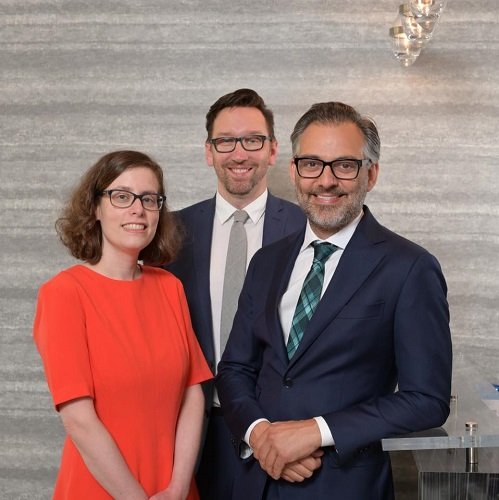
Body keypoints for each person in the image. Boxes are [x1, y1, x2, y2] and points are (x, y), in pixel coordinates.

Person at [216, 101, 453, 500]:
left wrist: (315, 431)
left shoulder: (409, 268)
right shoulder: (267, 262)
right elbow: (235, 368)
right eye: (312, 164)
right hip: (257, 482)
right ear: (295, 171)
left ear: (370, 174)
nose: (326, 181)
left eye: (344, 165)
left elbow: (427, 400)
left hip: (344, 485)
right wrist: (261, 436)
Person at [33, 150, 213, 499]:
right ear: (95, 208)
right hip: (102, 488)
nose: (138, 209)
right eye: (121, 196)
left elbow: (193, 394)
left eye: (149, 198)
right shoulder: (64, 294)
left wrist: (177, 488)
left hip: (173, 490)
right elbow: (79, 420)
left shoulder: (169, 287)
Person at [165, 88, 306, 499]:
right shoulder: (170, 235)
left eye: (253, 140)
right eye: (226, 141)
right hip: (191, 434)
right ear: (209, 152)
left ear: (272, 150)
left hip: (282, 434)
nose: (239, 153)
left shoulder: (308, 228)